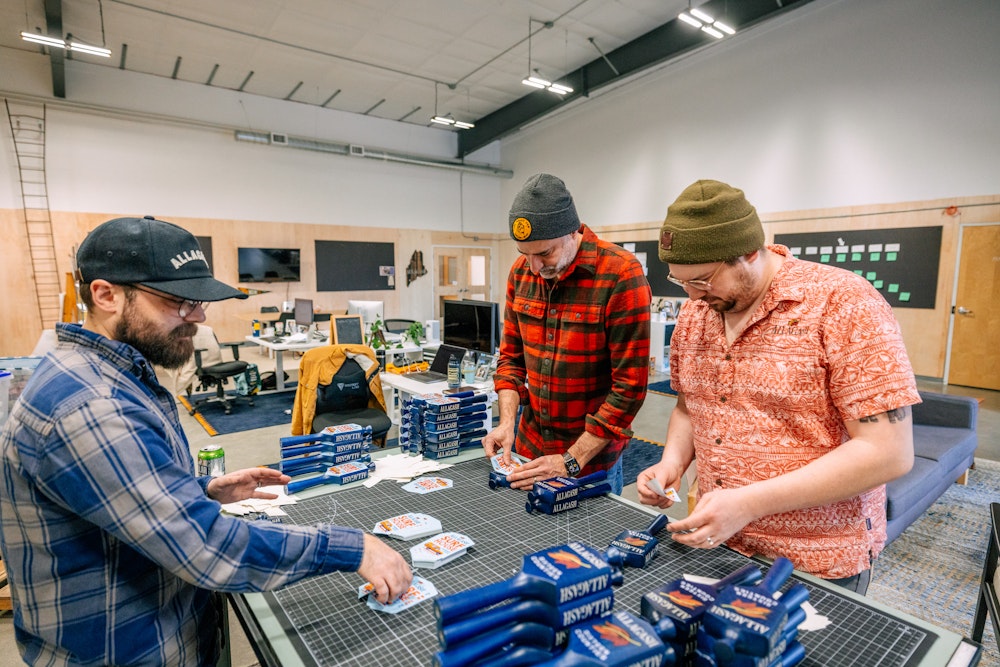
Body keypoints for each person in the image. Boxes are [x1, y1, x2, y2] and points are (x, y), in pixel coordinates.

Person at [0, 216, 411, 666]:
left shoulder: (111, 376)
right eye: (178, 301)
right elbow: (205, 545)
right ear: (106, 295)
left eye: (198, 301)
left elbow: (114, 499)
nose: (198, 316)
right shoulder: (92, 404)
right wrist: (353, 547)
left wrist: (200, 490)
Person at [636, 180, 919, 594]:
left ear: (751, 251)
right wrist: (672, 464)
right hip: (720, 541)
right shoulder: (698, 311)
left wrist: (749, 503)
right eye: (683, 283)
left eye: (703, 280)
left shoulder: (844, 304)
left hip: (813, 560)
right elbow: (688, 404)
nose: (694, 295)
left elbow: (888, 453)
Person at [483, 173, 652, 495]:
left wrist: (570, 461)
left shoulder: (620, 274)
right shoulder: (521, 272)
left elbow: (629, 388)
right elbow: (510, 360)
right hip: (529, 447)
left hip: (589, 461)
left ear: (573, 232)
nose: (533, 266)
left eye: (544, 254)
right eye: (525, 253)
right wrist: (506, 423)